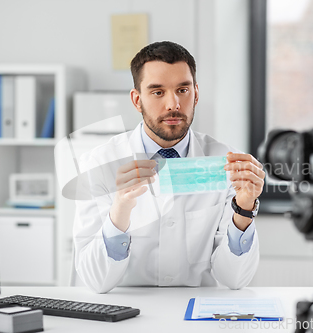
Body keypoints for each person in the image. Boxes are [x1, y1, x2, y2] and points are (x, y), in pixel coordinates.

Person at [73, 41, 265, 294]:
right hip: (126, 313)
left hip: (198, 312)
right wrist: (119, 211)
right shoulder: (98, 164)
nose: (173, 104)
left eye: (182, 90)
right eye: (158, 92)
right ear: (136, 99)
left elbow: (234, 279)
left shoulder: (225, 162)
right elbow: (96, 280)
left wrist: (244, 208)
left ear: (196, 93)